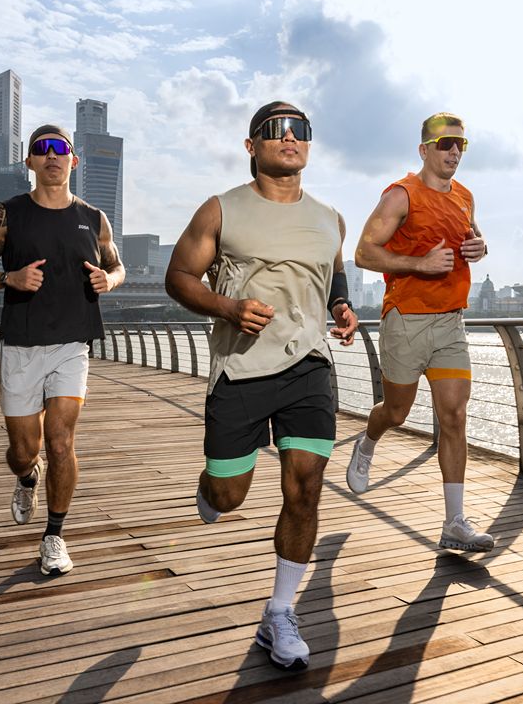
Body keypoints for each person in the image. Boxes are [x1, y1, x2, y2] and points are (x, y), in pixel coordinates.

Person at [165, 102, 358, 670]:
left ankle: (279, 613)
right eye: (276, 130)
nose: (290, 137)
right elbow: (179, 276)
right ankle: (211, 489)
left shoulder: (330, 218)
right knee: (230, 495)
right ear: (251, 146)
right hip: (241, 369)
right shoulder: (221, 209)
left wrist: (340, 306)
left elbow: (334, 270)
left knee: (305, 489)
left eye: (301, 129)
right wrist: (227, 307)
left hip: (309, 367)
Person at [0, 124, 124, 576]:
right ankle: (26, 476)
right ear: (30, 161)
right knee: (23, 449)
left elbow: (117, 266)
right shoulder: (9, 213)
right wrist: (8, 278)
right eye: (42, 148)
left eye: (60, 148)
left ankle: (54, 536)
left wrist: (109, 280)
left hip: (72, 344)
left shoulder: (94, 217)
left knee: (60, 441)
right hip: (21, 344)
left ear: (74, 160)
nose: (52, 155)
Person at [346, 112, 494, 553]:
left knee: (454, 416)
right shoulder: (401, 195)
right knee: (397, 412)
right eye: (446, 144)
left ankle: (454, 523)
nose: (454, 152)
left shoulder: (465, 197)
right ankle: (367, 442)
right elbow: (363, 253)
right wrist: (419, 264)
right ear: (424, 150)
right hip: (405, 320)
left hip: (450, 322)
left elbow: (473, 238)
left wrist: (480, 247)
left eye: (461, 145)